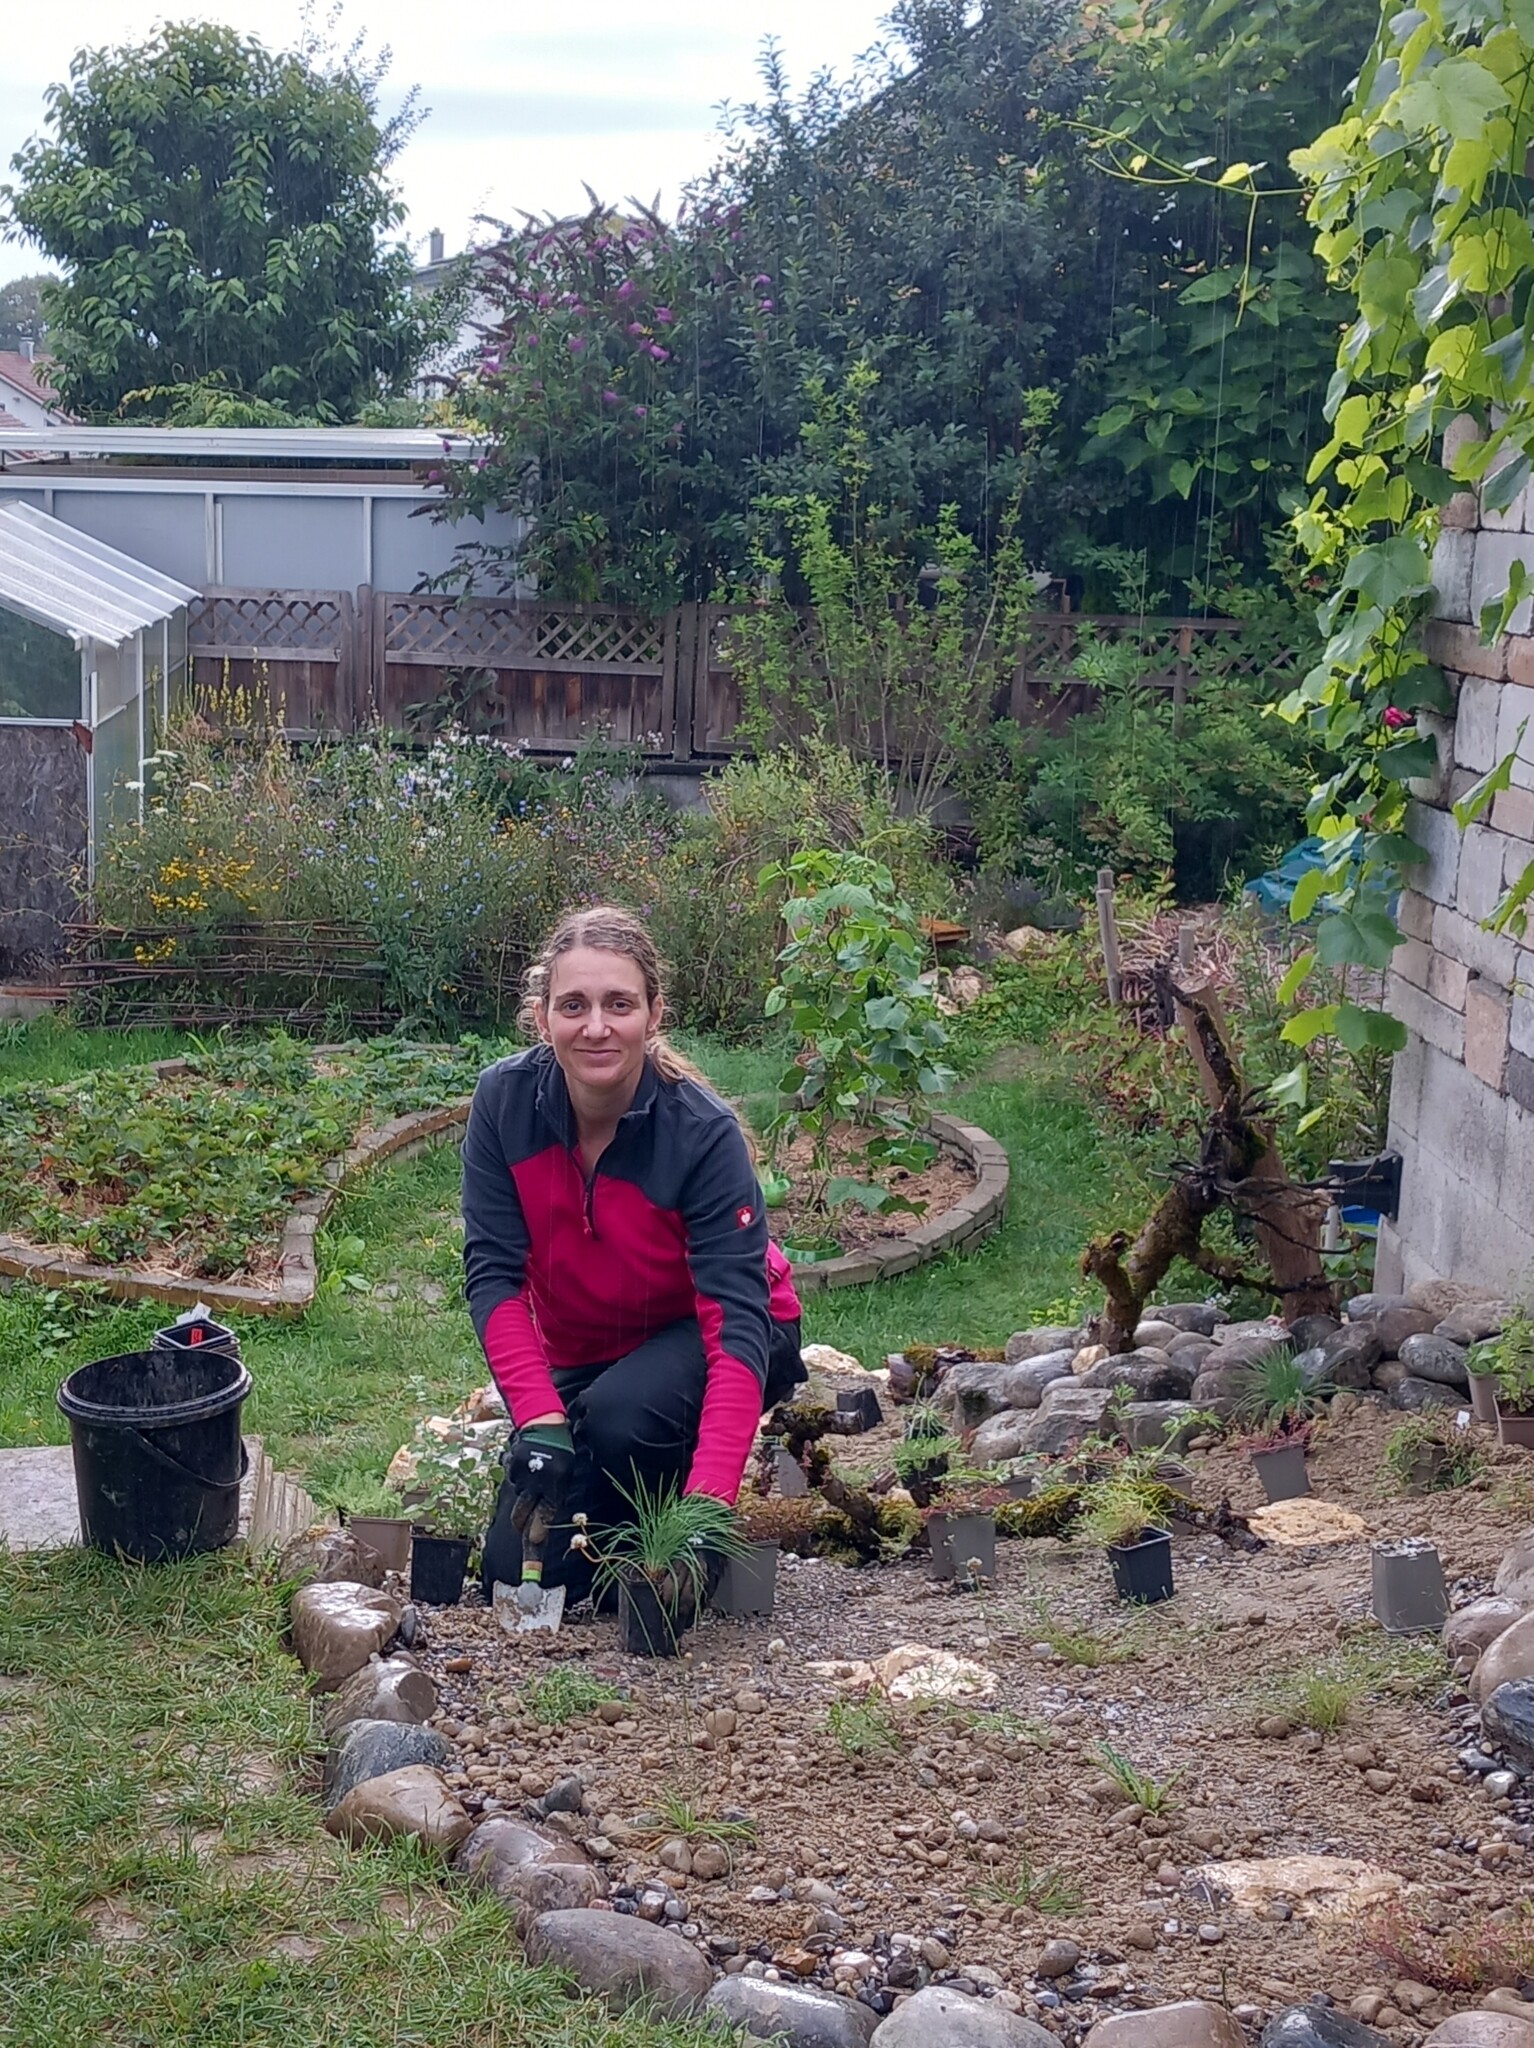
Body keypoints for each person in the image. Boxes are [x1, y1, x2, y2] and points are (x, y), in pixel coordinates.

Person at [463, 904, 805, 1603]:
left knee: (626, 1416)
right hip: (591, 1354)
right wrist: (540, 1421)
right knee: (514, 1568)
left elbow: (735, 1325)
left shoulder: (700, 1134)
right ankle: (629, 1521)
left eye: (619, 1004)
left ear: (654, 1016)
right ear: (542, 1018)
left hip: (729, 1335)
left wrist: (710, 1503)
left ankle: (676, 1508)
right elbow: (493, 1276)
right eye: (574, 1005)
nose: (596, 1026)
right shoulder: (504, 1102)